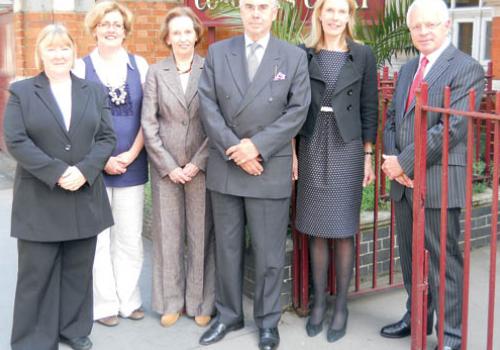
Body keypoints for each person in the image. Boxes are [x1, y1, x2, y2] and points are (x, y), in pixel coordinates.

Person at [197, 0, 310, 349]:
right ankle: (228, 315)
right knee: (227, 249)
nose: (256, 13)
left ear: (275, 12)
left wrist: (255, 147)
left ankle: (267, 322)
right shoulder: (218, 53)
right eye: (249, 6)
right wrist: (237, 149)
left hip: (267, 166)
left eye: (263, 6)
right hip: (228, 165)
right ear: (241, 11)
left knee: (268, 253)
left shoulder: (292, 56)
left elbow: (297, 110)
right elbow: (207, 105)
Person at [4, 24, 116, 350]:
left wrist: (84, 170)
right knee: (36, 275)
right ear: (41, 53)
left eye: (64, 47)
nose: (58, 54)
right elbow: (16, 140)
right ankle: (32, 339)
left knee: (78, 271)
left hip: (84, 194)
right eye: (51, 48)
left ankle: (73, 329)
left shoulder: (93, 91)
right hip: (41, 197)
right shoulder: (22, 92)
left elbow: (106, 137)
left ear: (73, 51)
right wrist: (57, 172)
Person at [381, 1, 484, 349]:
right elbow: (393, 116)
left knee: (444, 264)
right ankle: (417, 318)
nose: (423, 32)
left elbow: (451, 128)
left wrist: (404, 163)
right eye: (416, 27)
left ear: (446, 26)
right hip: (404, 185)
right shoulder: (409, 68)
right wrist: (393, 159)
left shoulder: (467, 68)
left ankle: (450, 336)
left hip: (440, 182)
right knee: (411, 260)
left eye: (430, 25)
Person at [295, 0, 378, 343]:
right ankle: (319, 305)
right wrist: (292, 152)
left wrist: (369, 155)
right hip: (312, 144)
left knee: (343, 230)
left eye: (341, 11)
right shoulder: (304, 53)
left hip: (347, 147)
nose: (334, 17)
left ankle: (341, 306)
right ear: (319, 15)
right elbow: (294, 104)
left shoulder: (362, 55)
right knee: (315, 229)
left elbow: (369, 104)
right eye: (328, 10)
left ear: (349, 16)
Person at [73, 0, 149, 327]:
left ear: (125, 30)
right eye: (105, 24)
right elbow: (76, 122)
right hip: (96, 168)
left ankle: (129, 300)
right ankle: (104, 305)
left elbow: (150, 117)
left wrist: (131, 155)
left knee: (130, 237)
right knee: (100, 238)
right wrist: (101, 160)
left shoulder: (140, 65)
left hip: (133, 164)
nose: (111, 29)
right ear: (94, 28)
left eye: (117, 24)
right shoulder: (79, 67)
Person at [141, 6, 215, 328]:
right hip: (166, 171)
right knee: (168, 236)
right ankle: (170, 301)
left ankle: (200, 302)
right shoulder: (156, 73)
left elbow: (218, 122)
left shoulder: (210, 69)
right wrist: (170, 166)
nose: (183, 37)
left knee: (201, 236)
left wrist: (197, 163)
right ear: (168, 38)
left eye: (188, 31)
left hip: (202, 167)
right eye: (177, 32)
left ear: (196, 34)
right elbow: (149, 123)